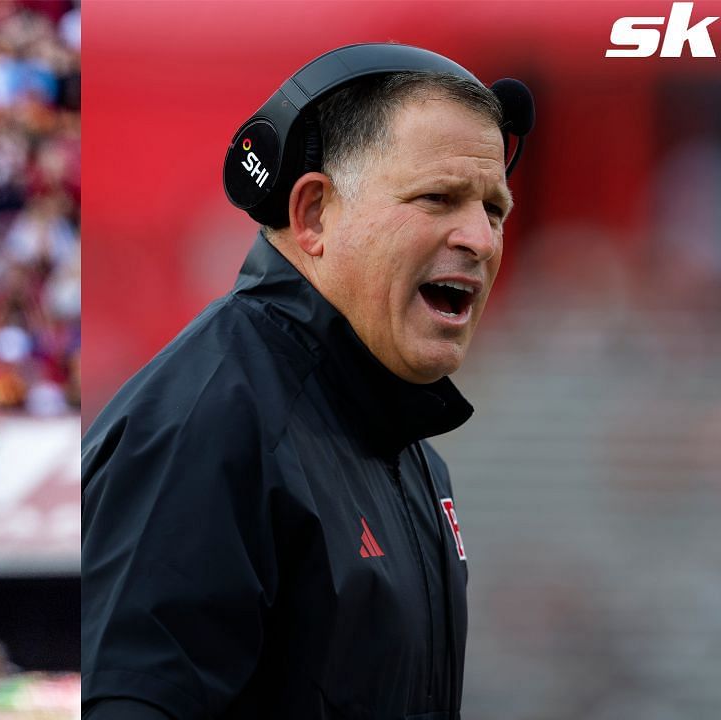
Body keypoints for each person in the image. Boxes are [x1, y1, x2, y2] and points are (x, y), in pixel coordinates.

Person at [81, 45, 531, 718]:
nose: (483, 240)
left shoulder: (408, 451)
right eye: (438, 198)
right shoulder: (210, 425)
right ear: (314, 213)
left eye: (494, 210)